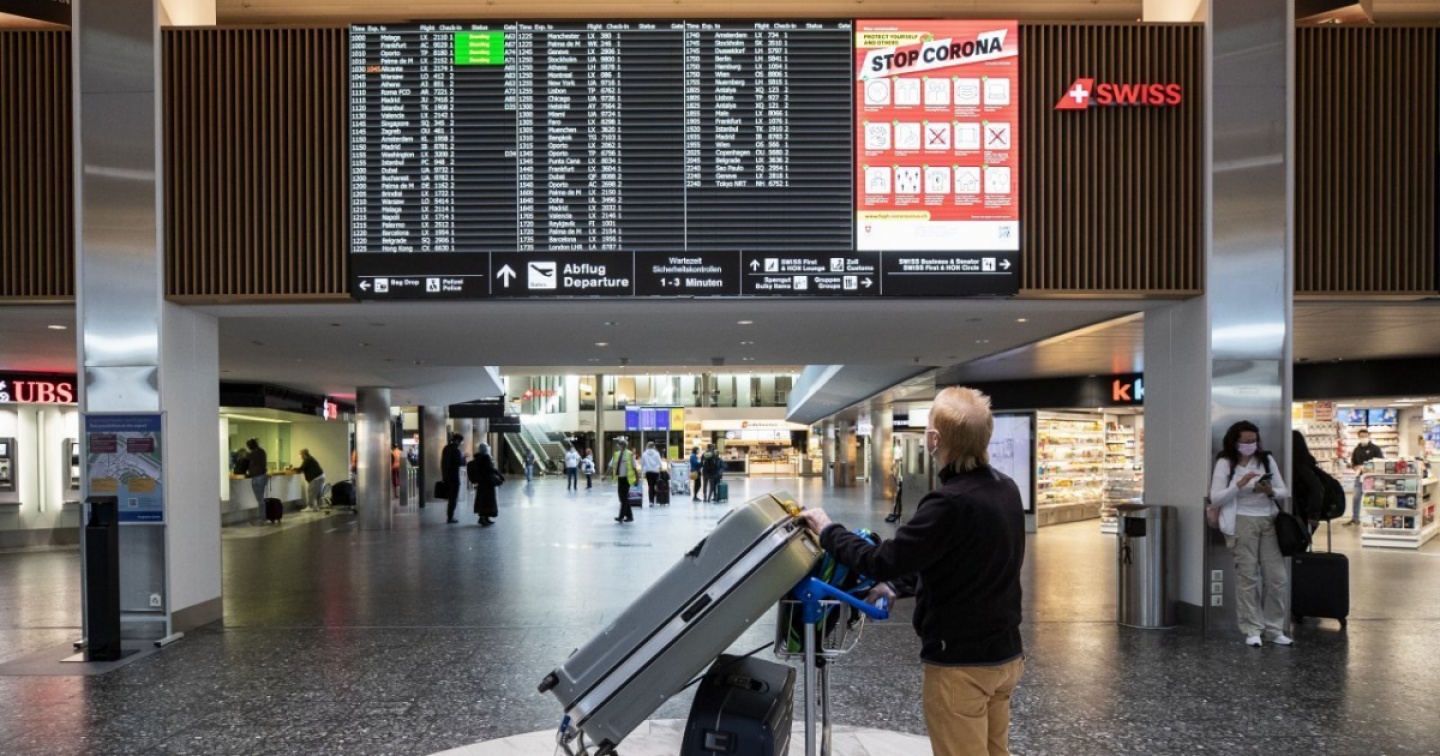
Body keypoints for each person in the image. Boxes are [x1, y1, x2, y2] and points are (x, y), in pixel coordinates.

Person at [799, 387, 1025, 756]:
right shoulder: (1005, 489)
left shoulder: (948, 503)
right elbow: (963, 559)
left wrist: (828, 530)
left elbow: (880, 560)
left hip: (961, 665)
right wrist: (898, 586)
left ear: (934, 439)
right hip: (1005, 656)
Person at [1207, 420, 1292, 648]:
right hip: (1241, 522)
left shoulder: (1266, 460)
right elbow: (1216, 497)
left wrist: (1270, 491)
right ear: (1234, 442)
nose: (1250, 445)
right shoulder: (1225, 463)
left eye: (1253, 440)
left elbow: (1284, 491)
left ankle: (1274, 629)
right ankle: (1252, 629)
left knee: (1277, 577)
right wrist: (1239, 484)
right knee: (1248, 576)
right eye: (1245, 441)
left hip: (1269, 521)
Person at [1345, 427, 1384, 526]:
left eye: (1365, 436)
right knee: (1356, 497)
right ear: (1358, 437)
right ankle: (1355, 519)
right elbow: (1354, 462)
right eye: (1361, 436)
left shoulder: (1375, 449)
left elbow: (1381, 462)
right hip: (1360, 477)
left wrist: (1368, 466)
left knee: (1374, 498)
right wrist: (1353, 466)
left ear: (1369, 436)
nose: (1364, 438)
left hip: (1372, 477)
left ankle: (1377, 519)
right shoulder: (1356, 449)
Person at [1291, 430, 1323, 535]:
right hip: (1304, 513)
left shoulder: (1299, 467)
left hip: (1300, 514)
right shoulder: (1306, 463)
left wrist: (1312, 516)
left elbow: (1316, 487)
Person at [604, 438, 640, 523]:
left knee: (623, 498)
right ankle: (630, 516)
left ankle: (621, 517)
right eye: (618, 444)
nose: (618, 446)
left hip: (627, 479)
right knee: (622, 498)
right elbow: (610, 466)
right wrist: (605, 476)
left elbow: (635, 468)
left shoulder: (630, 454)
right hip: (620, 479)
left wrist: (637, 479)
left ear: (624, 445)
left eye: (620, 444)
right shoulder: (616, 454)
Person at [469, 442, 500, 527]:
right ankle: (484, 518)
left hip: (482, 483)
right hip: (488, 483)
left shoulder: (478, 457)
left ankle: (484, 517)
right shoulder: (486, 457)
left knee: (482, 500)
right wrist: (498, 474)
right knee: (487, 500)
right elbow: (489, 469)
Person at [441, 433, 464, 524]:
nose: (461, 443)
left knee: (450, 497)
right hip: (454, 477)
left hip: (446, 476)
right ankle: (450, 517)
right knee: (453, 498)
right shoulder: (456, 450)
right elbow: (459, 463)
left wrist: (444, 475)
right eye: (461, 442)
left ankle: (449, 516)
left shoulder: (446, 448)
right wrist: (464, 458)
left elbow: (443, 462)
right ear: (457, 440)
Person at [244, 438, 269, 521]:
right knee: (261, 498)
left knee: (260, 499)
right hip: (263, 476)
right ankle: (262, 517)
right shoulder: (262, 451)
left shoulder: (253, 454)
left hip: (257, 478)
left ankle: (262, 518)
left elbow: (246, 459)